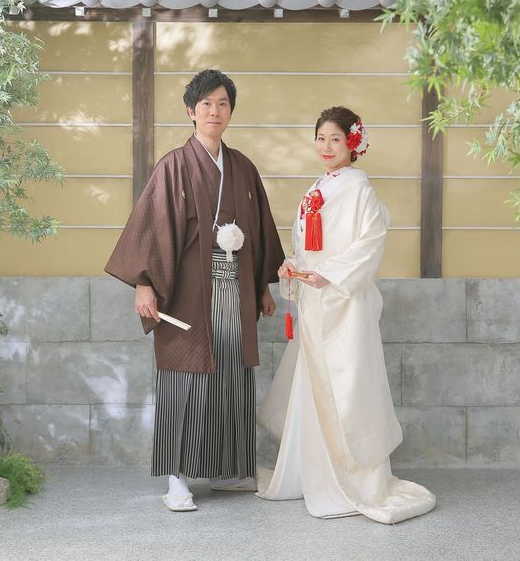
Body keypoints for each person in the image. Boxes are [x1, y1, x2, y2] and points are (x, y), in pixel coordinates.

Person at [105, 70, 284, 512]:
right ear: (191, 111)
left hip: (234, 287)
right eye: (206, 103)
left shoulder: (242, 168)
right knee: (185, 378)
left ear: (231, 111)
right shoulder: (174, 166)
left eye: (222, 103)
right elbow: (151, 226)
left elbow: (259, 229)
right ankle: (177, 477)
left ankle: (226, 470)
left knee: (230, 377)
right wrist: (143, 283)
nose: (214, 111)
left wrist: (263, 285)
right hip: (187, 290)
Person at [257, 106, 436, 524]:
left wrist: (332, 274)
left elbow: (370, 242)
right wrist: (292, 266)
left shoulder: (359, 189)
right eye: (320, 138)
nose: (326, 147)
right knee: (315, 386)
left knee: (348, 386)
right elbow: (307, 246)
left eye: (335, 139)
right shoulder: (316, 188)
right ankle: (315, 473)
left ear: (352, 143)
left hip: (344, 303)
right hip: (315, 301)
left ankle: (352, 479)